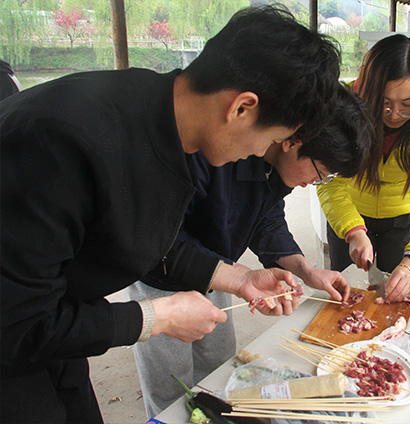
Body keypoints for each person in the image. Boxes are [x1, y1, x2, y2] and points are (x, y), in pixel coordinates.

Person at [0, 5, 341, 423]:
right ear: (241, 108)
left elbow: (148, 241)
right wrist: (153, 317)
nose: (261, 153)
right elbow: (19, 324)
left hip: (58, 334)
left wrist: (240, 279)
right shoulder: (62, 141)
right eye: (273, 137)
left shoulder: (167, 123)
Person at [126, 85, 373, 417]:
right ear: (292, 142)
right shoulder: (214, 151)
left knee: (218, 366)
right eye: (320, 174)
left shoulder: (278, 164)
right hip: (162, 281)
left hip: (217, 275)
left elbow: (266, 218)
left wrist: (306, 270)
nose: (312, 183)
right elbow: (159, 243)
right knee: (170, 385)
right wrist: (238, 278)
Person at [317, 34, 410, 303]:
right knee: (346, 296)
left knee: (394, 298)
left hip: (404, 219)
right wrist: (353, 230)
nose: (395, 115)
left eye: (408, 105)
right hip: (349, 213)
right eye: (384, 103)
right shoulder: (344, 102)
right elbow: (330, 180)